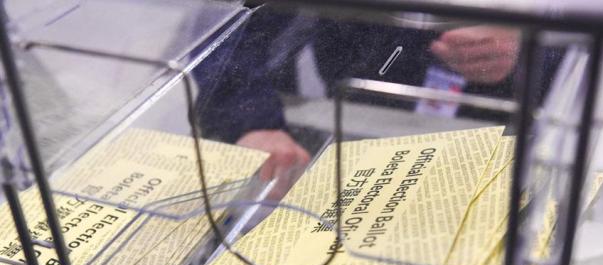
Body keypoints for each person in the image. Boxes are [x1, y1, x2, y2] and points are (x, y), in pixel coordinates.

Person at [194, 5, 557, 198]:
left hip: (493, 126)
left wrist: (529, 46)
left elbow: (601, 41)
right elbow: (222, 23)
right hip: (351, 104)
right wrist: (251, 119)